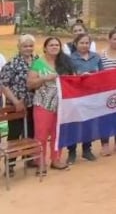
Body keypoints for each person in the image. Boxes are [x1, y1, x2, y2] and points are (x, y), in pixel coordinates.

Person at [26, 37, 73, 173]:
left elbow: (73, 79)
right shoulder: (38, 63)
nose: (54, 47)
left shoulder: (64, 62)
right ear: (45, 48)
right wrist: (44, 78)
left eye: (57, 45)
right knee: (41, 134)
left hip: (61, 105)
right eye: (51, 45)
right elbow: (30, 84)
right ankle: (40, 162)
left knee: (58, 134)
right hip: (43, 104)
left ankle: (56, 159)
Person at [0, 34, 36, 176]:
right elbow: (4, 84)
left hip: (34, 103)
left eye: (30, 46)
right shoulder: (12, 63)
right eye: (25, 46)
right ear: (19, 47)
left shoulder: (37, 61)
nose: (28, 48)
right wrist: (15, 101)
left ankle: (29, 159)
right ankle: (10, 165)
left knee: (31, 132)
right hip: (16, 105)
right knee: (15, 134)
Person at [67, 32, 103, 164]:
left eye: (87, 43)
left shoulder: (96, 57)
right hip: (75, 96)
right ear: (75, 44)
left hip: (92, 95)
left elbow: (103, 74)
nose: (84, 45)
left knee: (89, 123)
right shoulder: (69, 59)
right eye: (81, 43)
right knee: (74, 124)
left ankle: (87, 150)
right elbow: (67, 77)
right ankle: (71, 152)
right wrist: (80, 76)